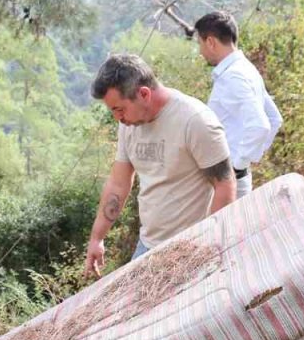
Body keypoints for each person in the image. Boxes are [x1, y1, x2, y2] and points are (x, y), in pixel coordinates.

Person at [84, 53, 236, 275]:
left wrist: (208, 247)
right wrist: (97, 237)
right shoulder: (128, 125)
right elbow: (118, 184)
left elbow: (225, 185)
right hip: (148, 245)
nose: (118, 118)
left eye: (120, 109)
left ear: (144, 94)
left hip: (191, 247)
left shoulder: (195, 121)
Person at [194, 11, 282, 198]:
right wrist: (249, 158)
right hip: (236, 178)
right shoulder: (246, 69)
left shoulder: (233, 76)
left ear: (210, 42)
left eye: (199, 44)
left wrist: (235, 167)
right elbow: (275, 119)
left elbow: (261, 125)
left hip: (229, 181)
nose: (200, 51)